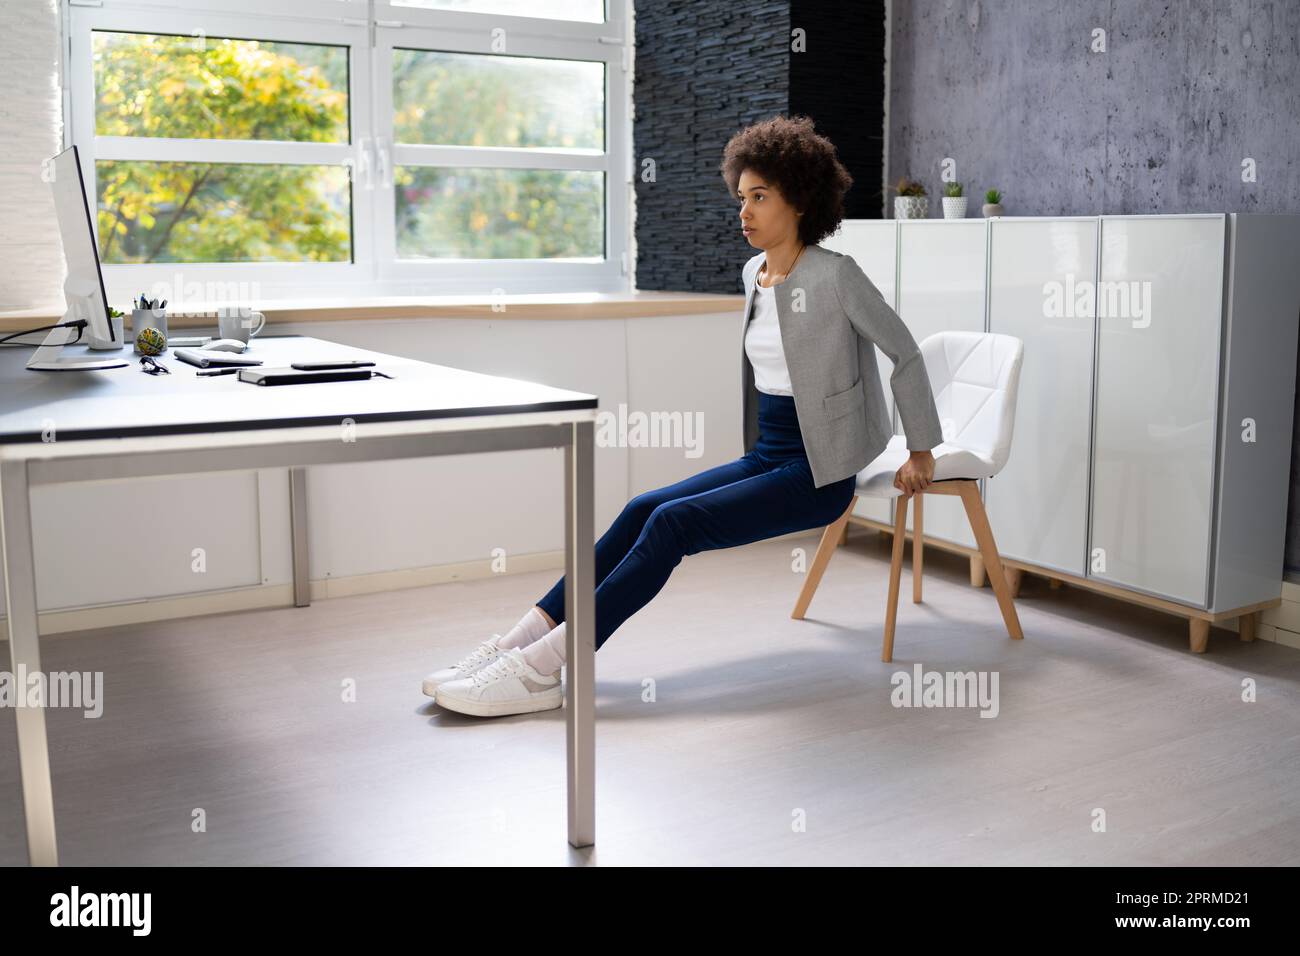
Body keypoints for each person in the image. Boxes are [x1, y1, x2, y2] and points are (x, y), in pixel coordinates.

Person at [425, 114, 942, 718]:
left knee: (672, 525)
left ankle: (545, 669)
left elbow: (903, 352)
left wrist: (921, 450)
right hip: (770, 455)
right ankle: (516, 643)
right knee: (644, 507)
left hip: (818, 474)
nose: (744, 211)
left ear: (799, 199)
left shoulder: (837, 276)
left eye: (759, 198)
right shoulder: (755, 273)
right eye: (740, 198)